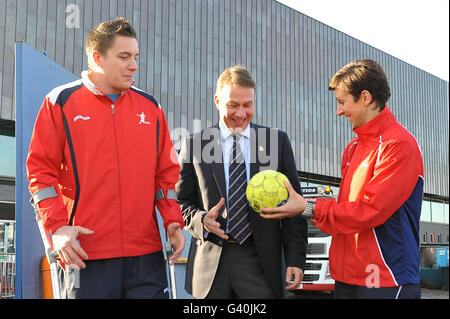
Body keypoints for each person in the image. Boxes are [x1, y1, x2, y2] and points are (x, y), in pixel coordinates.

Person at [26, 17, 185, 299]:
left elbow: (166, 175)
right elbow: (40, 173)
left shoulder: (151, 108)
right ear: (97, 58)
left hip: (146, 257)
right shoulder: (60, 102)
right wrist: (59, 227)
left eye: (135, 57)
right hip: (86, 255)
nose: (134, 65)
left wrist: (172, 220)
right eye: (124, 57)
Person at [261, 59, 424, 299]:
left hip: (385, 278)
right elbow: (348, 210)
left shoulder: (398, 145)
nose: (339, 111)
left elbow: (370, 210)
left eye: (342, 102)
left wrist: (309, 208)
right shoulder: (352, 148)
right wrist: (319, 215)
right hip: (346, 278)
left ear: (366, 98)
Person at [176, 65, 307, 299]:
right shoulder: (194, 145)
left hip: (261, 265)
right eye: (232, 105)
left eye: (247, 105)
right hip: (210, 268)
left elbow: (294, 206)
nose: (240, 113)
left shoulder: (276, 142)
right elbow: (182, 203)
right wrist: (202, 220)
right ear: (217, 100)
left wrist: (296, 259)